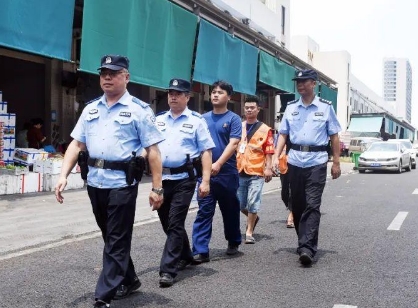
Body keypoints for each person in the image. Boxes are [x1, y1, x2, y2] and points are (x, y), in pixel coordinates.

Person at [54, 54, 165, 308]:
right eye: (103, 73)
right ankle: (130, 278)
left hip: (122, 184)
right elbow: (77, 144)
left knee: (116, 238)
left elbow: (154, 152)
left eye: (113, 73)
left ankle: (103, 295)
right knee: (111, 235)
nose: (107, 77)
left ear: (126, 77)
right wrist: (62, 175)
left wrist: (157, 188)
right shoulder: (91, 108)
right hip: (95, 182)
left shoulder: (139, 110)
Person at [273, 69, 342, 267]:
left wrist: (336, 162)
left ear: (314, 83)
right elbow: (283, 135)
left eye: (304, 81)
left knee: (312, 205)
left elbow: (334, 136)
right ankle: (303, 240)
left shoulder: (326, 107)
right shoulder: (291, 107)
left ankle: (308, 248)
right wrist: (275, 157)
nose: (300, 84)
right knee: (296, 204)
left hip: (317, 162)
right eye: (298, 81)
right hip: (294, 160)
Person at [155, 78, 215, 287]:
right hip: (161, 179)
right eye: (171, 92)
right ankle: (186, 254)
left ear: (187, 97)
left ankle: (168, 270)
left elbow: (206, 151)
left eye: (178, 93)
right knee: (167, 223)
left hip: (184, 179)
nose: (173, 96)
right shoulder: (159, 120)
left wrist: (205, 180)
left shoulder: (196, 121)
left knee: (175, 221)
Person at [192, 80, 242, 263]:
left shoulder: (233, 119)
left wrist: (219, 163)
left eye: (220, 92)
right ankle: (200, 250)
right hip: (205, 174)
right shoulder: (202, 119)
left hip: (226, 173)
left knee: (229, 209)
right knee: (204, 210)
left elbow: (234, 143)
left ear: (229, 97)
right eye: (213, 92)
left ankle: (234, 240)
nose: (215, 95)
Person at [236, 95, 274, 244]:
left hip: (257, 171)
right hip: (240, 170)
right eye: (247, 108)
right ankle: (254, 217)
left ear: (258, 109)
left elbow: (269, 150)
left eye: (252, 107)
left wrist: (269, 168)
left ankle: (249, 231)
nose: (249, 110)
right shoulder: (239, 126)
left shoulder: (265, 129)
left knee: (253, 202)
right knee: (239, 204)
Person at [277, 143, 294, 228]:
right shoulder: (281, 136)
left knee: (293, 192)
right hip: (283, 167)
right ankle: (295, 208)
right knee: (284, 194)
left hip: (295, 166)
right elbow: (275, 149)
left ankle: (291, 215)